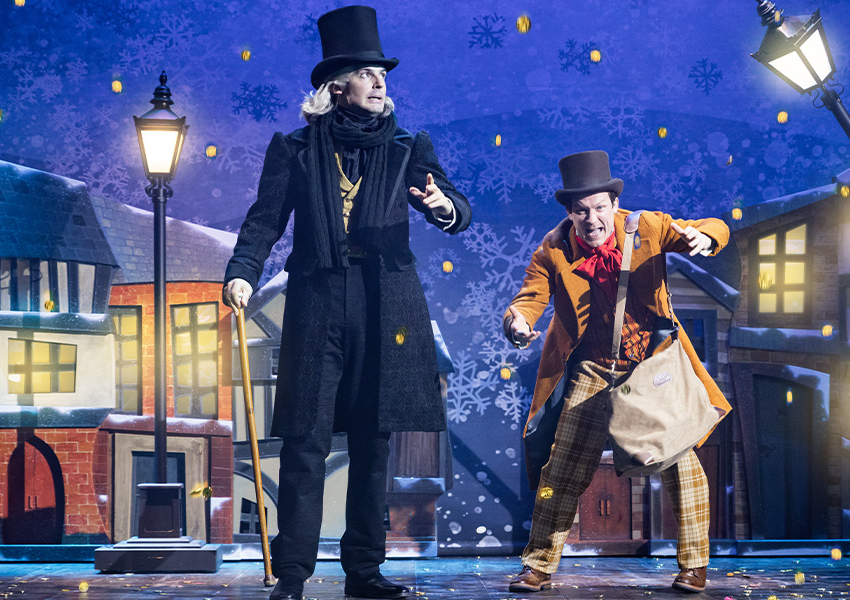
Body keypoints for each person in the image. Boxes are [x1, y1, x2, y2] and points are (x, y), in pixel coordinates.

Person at [221, 6, 471, 600]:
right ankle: (293, 572)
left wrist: (441, 207)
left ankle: (364, 569)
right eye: (366, 73)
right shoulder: (295, 148)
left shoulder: (408, 146)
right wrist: (242, 273)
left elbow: (456, 207)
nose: (379, 82)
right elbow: (264, 222)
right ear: (337, 86)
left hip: (386, 299)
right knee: (305, 439)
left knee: (372, 439)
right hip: (317, 297)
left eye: (382, 74)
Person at [502, 150, 731, 594]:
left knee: (681, 464)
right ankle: (538, 565)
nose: (592, 220)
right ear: (570, 213)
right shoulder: (552, 250)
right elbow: (530, 297)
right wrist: (518, 322)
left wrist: (704, 238)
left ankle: (695, 564)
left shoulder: (647, 227)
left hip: (650, 366)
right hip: (592, 368)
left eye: (599, 208)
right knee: (560, 470)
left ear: (614, 203)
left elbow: (709, 227)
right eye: (581, 211)